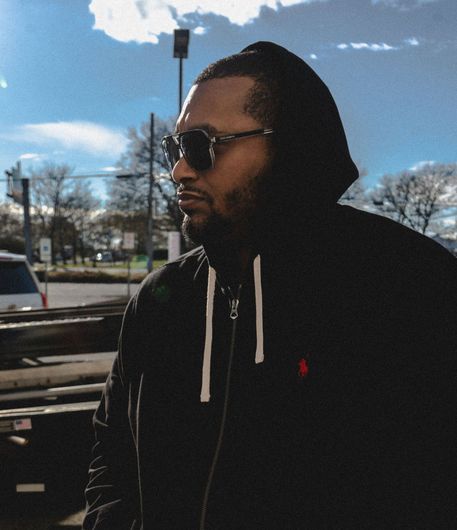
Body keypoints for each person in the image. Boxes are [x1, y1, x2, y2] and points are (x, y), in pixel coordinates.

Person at [83, 42, 456, 529]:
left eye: (202, 145)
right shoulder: (160, 300)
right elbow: (112, 457)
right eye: (175, 148)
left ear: (288, 148)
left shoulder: (406, 282)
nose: (179, 169)